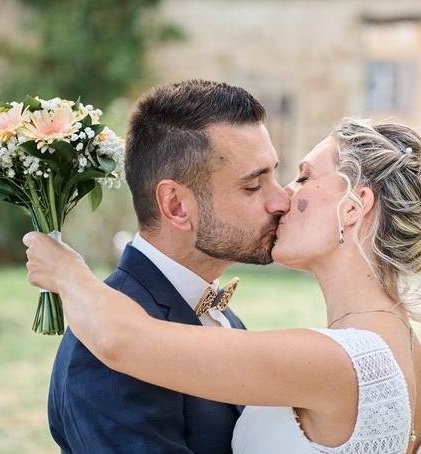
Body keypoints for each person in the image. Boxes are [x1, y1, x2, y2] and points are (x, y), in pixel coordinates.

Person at [26, 117, 421, 453]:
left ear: (353, 209)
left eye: (305, 177)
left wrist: (65, 271)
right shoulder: (414, 357)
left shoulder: (335, 360)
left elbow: (122, 339)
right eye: (259, 184)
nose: (283, 197)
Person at [44, 79, 290, 453]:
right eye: (254, 186)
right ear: (176, 205)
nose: (282, 200)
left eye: (275, 173)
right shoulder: (102, 351)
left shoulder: (217, 309)